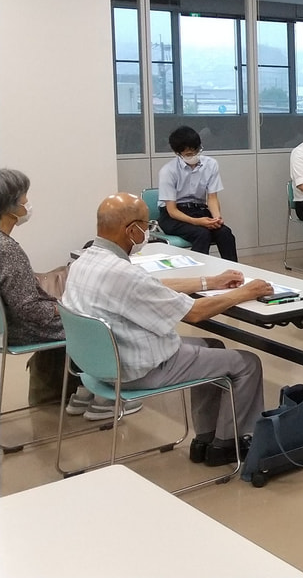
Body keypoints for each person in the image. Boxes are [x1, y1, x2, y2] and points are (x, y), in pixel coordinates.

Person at [62, 193, 274, 465]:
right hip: (136, 368)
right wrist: (245, 292)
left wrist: (210, 282)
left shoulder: (85, 260)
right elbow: (195, 313)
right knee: (247, 363)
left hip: (98, 364)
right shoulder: (123, 274)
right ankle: (228, 444)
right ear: (131, 230)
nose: (148, 232)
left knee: (213, 347)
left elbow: (150, 287)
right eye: (146, 225)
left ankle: (206, 438)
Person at [0, 168, 75, 406]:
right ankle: (102, 392)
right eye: (24, 199)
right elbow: (29, 308)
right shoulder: (7, 249)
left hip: (13, 323)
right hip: (24, 329)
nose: (28, 204)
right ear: (11, 208)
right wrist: (64, 307)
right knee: (99, 321)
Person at [157, 126, 237, 261]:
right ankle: (199, 275)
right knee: (202, 234)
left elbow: (212, 198)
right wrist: (197, 222)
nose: (194, 156)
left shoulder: (211, 164)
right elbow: (171, 210)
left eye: (197, 151)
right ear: (178, 153)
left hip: (198, 210)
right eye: (188, 154)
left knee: (225, 233)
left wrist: (217, 218)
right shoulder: (168, 171)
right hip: (173, 216)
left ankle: (235, 274)